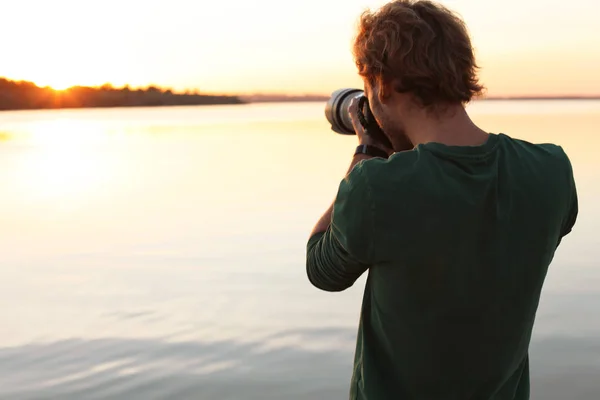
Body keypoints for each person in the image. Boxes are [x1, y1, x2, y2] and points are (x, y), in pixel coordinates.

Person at [305, 1, 578, 399]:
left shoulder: (377, 188)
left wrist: (367, 151)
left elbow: (322, 269)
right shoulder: (551, 171)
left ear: (383, 85)